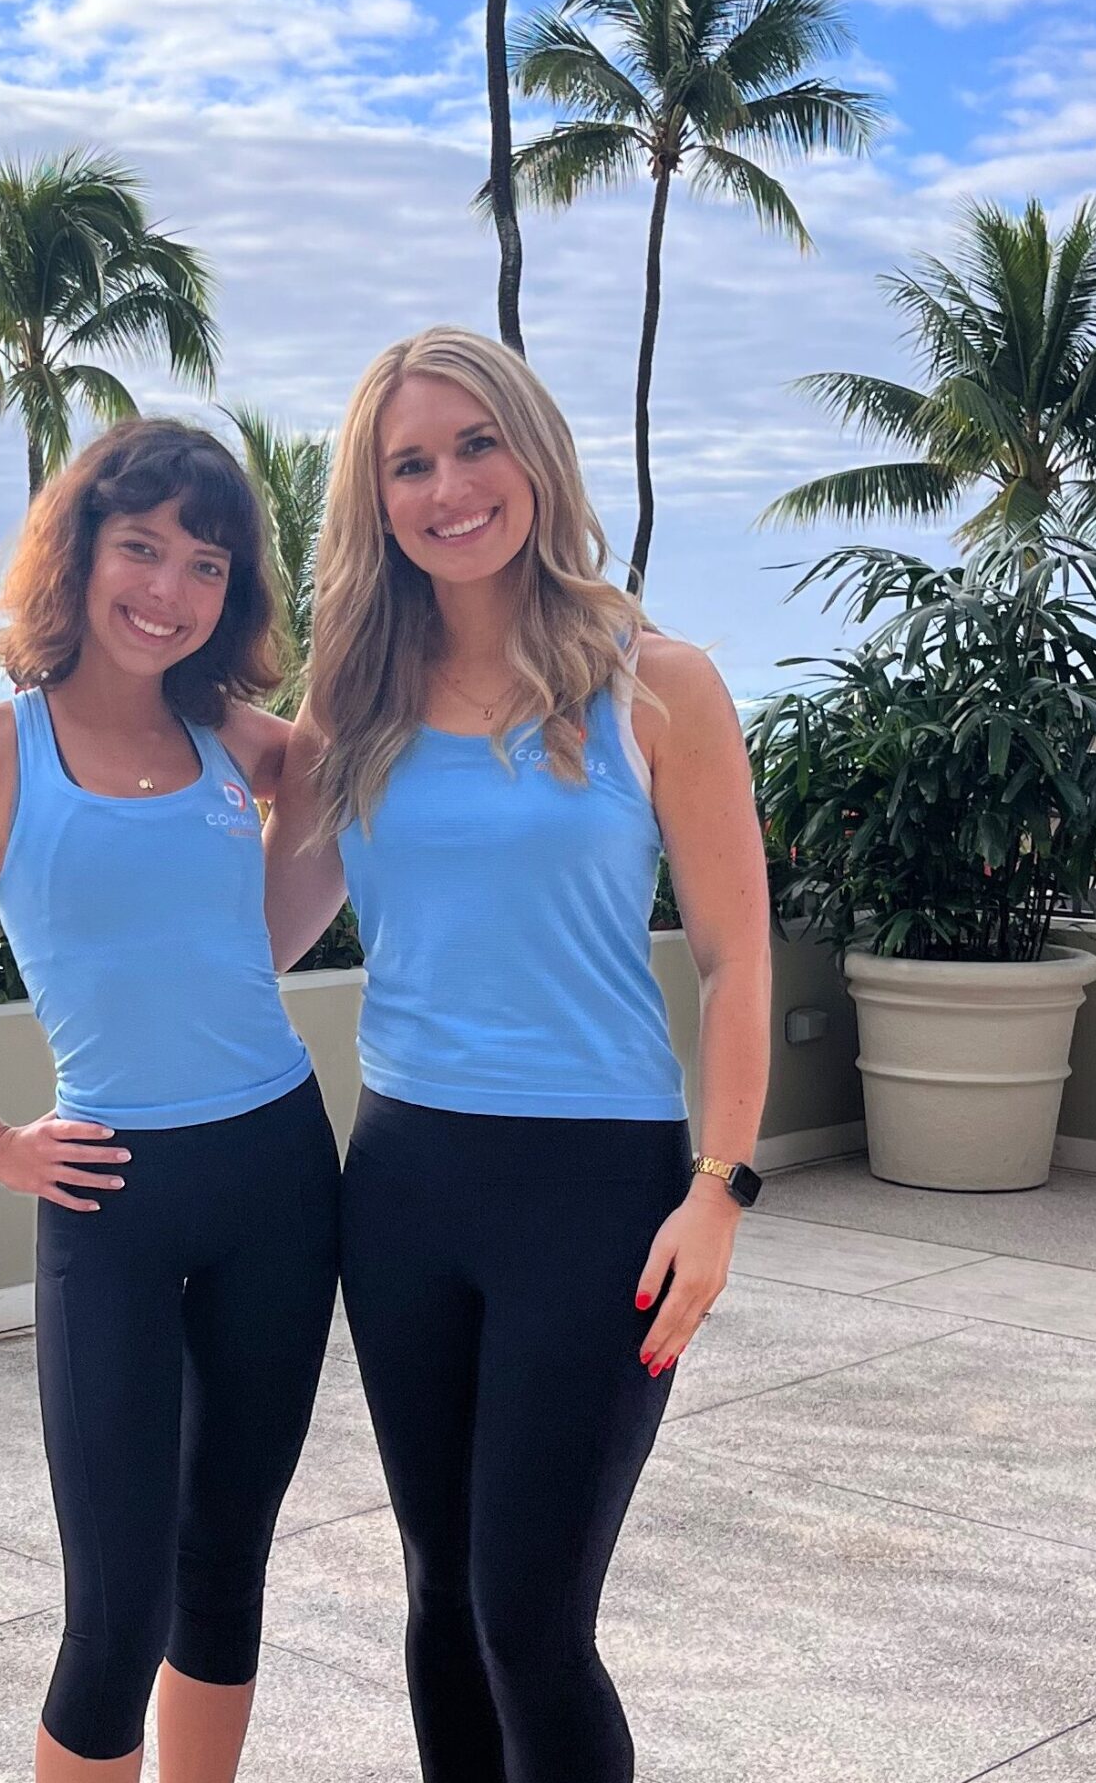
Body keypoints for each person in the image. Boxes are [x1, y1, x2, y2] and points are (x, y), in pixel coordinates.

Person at [265, 326, 773, 1783]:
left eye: (474, 446)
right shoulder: (353, 699)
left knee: (532, 1620)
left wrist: (719, 1190)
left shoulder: (656, 682)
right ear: (378, 502)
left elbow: (739, 959)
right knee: (439, 1598)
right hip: (407, 1182)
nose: (448, 488)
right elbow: (271, 929)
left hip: (598, 1197)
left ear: (534, 456)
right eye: (408, 464)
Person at [0, 419, 340, 1783]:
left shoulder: (239, 740)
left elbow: (346, 813)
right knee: (116, 1609)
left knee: (225, 1564)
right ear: (83, 553)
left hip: (280, 1176)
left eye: (208, 564)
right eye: (143, 548)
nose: (169, 589)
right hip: (108, 1194)